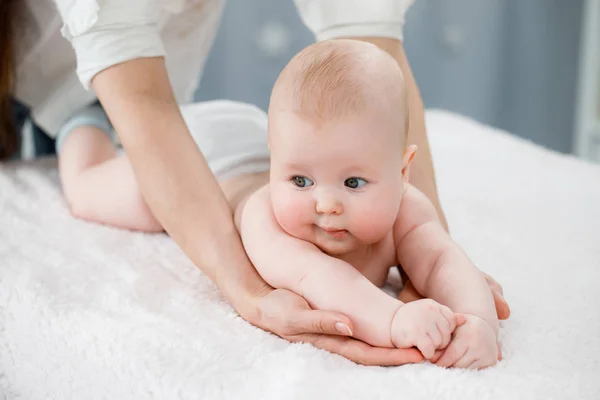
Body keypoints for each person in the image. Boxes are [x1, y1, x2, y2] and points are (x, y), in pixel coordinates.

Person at [1, 0, 509, 366]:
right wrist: (397, 323)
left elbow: (441, 256)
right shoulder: (272, 220)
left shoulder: (402, 203)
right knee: (91, 189)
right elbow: (329, 283)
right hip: (211, 153)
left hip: (259, 133)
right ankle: (81, 122)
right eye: (301, 182)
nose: (326, 204)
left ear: (401, 172)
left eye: (354, 182)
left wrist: (473, 318)